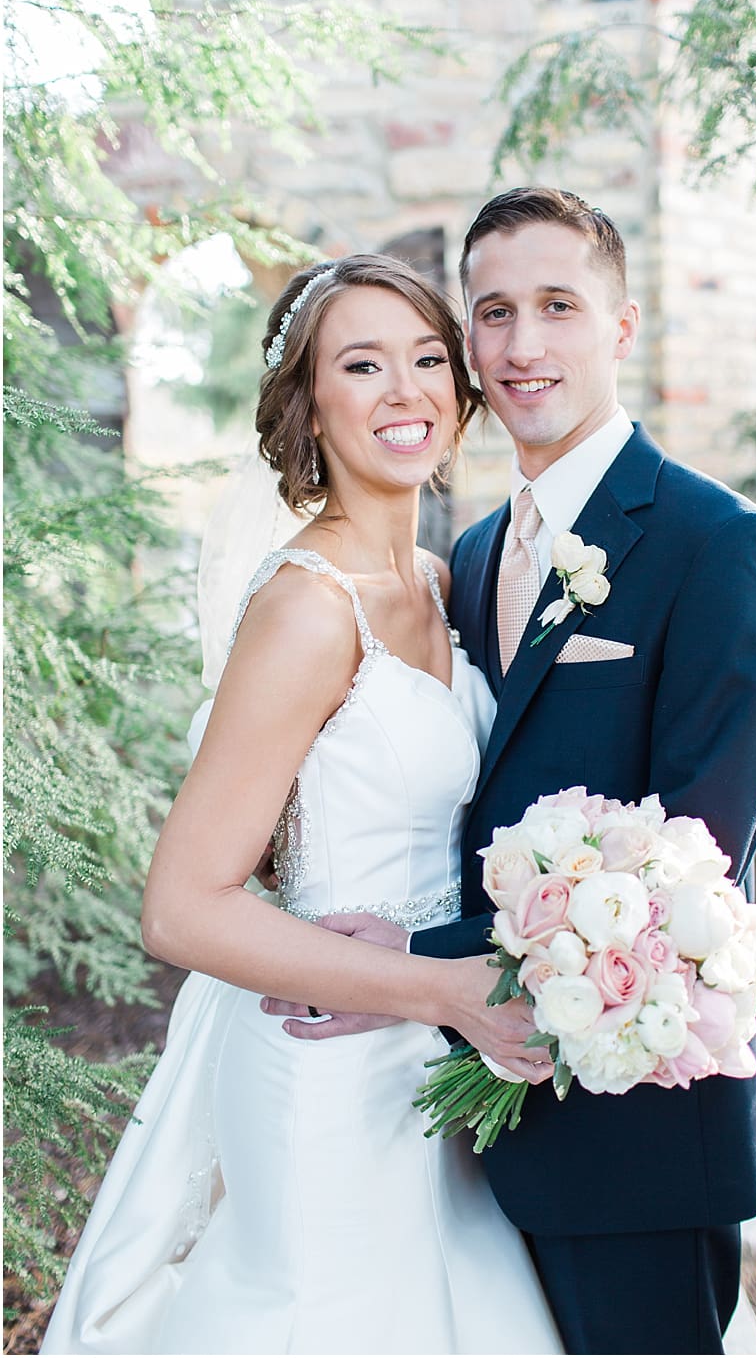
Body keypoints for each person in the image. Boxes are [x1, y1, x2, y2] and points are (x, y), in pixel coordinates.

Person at [263, 188, 756, 1355]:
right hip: (476, 1102)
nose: (521, 345)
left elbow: (684, 876)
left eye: (557, 305)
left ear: (622, 325)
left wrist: (409, 959)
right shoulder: (467, 555)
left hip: (638, 1119)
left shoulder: (724, 549)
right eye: (494, 312)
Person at [42, 254, 564, 1353]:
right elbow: (182, 909)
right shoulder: (308, 610)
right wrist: (442, 985)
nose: (404, 390)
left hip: (435, 1052)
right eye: (361, 364)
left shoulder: (439, 581)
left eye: (427, 358)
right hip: (323, 1065)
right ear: (309, 404)